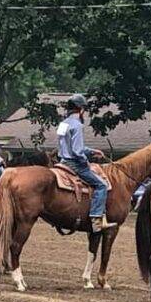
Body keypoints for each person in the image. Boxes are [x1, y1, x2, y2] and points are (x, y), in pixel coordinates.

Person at [57, 94, 116, 233]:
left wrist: (91, 151)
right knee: (101, 185)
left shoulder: (63, 124)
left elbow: (65, 145)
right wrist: (86, 161)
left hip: (63, 161)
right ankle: (96, 220)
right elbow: (77, 151)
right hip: (75, 164)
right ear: (81, 109)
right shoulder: (77, 125)